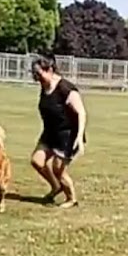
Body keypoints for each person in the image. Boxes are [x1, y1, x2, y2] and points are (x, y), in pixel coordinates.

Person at [30, 55, 87, 208]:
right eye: (34, 74)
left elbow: (81, 112)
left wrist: (80, 137)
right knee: (37, 161)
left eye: (39, 74)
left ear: (50, 69)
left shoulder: (65, 89)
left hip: (67, 136)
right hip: (50, 133)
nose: (36, 78)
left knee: (58, 168)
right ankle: (56, 187)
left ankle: (71, 199)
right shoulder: (44, 86)